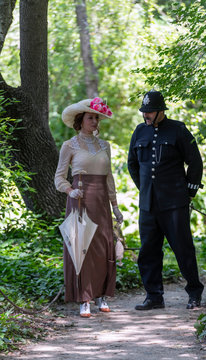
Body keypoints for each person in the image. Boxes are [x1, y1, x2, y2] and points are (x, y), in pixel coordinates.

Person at [128, 90, 204, 310]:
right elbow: (132, 163)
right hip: (148, 204)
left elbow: (195, 162)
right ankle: (154, 296)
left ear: (161, 111)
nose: (146, 115)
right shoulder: (139, 131)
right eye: (144, 111)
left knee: (183, 249)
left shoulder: (178, 129)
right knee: (148, 251)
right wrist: (144, 189)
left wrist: (189, 192)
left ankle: (194, 294)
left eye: (150, 111)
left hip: (174, 203)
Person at [55, 97, 123, 318]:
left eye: (96, 118)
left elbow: (109, 177)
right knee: (82, 245)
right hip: (80, 199)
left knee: (104, 246)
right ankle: (84, 298)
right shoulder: (69, 145)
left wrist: (115, 206)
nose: (95, 121)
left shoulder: (105, 146)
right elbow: (59, 178)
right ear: (80, 120)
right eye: (90, 117)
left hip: (102, 200)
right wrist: (69, 190)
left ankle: (102, 295)